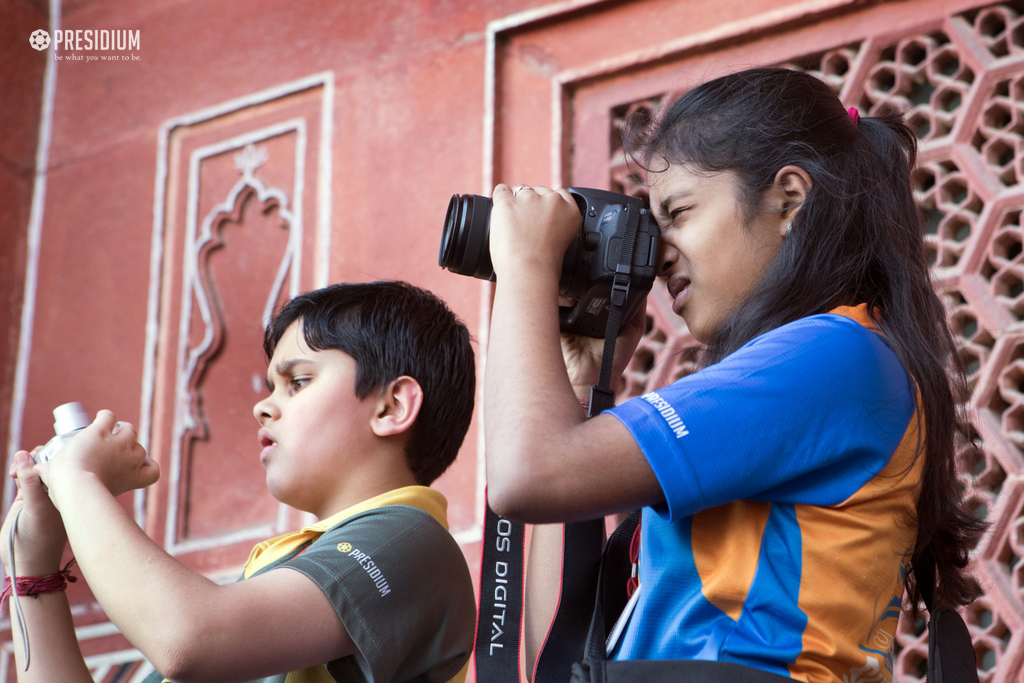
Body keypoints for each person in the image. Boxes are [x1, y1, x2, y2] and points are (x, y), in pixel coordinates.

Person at [482, 67, 984, 682]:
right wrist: (585, 386)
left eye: (679, 212)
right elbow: (555, 660)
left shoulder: (836, 356)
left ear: (788, 201)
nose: (660, 252)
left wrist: (527, 267)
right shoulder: (827, 367)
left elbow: (525, 475)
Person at [1, 280, 478, 683]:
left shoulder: (411, 543)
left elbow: (187, 638)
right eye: (272, 386)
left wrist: (78, 477)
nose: (263, 406)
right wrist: (33, 563)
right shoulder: (274, 579)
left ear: (392, 407)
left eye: (298, 382)